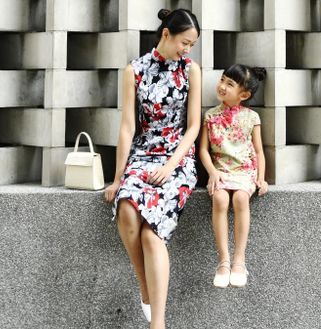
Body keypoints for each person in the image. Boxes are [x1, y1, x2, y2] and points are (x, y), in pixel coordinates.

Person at [103, 8, 201, 328]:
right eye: (184, 42)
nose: (187, 50)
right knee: (127, 209)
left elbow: (193, 126)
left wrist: (172, 165)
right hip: (143, 153)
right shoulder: (134, 70)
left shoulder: (191, 70)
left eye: (192, 45)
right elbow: (127, 127)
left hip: (178, 158)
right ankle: (145, 286)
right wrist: (118, 178)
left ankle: (157, 323)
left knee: (151, 233)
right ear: (166, 34)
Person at [199, 64, 269, 288]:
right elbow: (202, 150)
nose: (222, 86)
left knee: (240, 198)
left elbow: (258, 150)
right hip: (220, 170)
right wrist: (212, 172)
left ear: (244, 95)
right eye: (222, 80)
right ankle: (223, 260)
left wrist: (261, 177)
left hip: (244, 170)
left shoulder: (252, 117)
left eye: (230, 84)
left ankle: (239, 259)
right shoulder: (210, 115)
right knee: (220, 199)